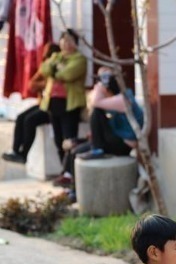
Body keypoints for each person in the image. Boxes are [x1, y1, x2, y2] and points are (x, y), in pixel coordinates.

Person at [53, 67, 143, 195]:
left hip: (124, 144)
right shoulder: (111, 100)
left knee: (96, 112)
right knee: (76, 151)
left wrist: (99, 88)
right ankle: (73, 189)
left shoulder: (124, 99)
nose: (98, 88)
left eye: (101, 85)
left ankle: (97, 149)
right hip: (115, 139)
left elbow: (94, 102)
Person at [2, 42, 60, 164]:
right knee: (20, 117)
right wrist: (46, 84)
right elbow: (32, 84)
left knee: (30, 120)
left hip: (54, 105)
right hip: (43, 102)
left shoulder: (60, 66)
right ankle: (15, 150)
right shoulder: (46, 67)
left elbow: (57, 81)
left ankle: (24, 153)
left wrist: (49, 83)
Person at [40, 29, 86, 160]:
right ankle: (64, 170)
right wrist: (56, 68)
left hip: (69, 104)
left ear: (75, 43)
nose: (66, 43)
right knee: (58, 139)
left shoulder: (80, 59)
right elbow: (44, 69)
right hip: (53, 103)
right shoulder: (56, 56)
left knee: (69, 139)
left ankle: (70, 172)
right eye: (64, 40)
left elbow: (67, 74)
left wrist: (55, 70)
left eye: (70, 40)